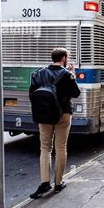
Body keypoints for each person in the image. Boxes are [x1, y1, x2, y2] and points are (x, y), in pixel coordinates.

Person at [29, 48, 81, 199]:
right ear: (64, 58)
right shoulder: (67, 75)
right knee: (61, 147)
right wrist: (73, 75)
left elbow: (32, 92)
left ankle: (44, 182)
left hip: (44, 114)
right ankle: (58, 183)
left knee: (45, 147)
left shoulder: (40, 73)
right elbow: (76, 93)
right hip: (63, 114)